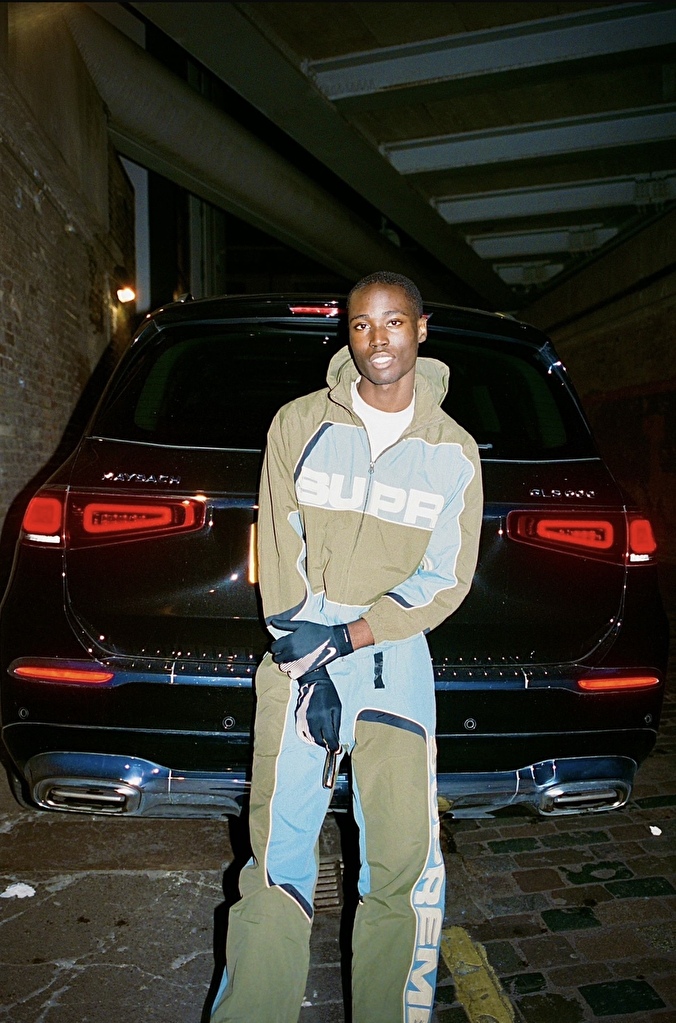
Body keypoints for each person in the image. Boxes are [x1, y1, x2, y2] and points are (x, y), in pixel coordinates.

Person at [211, 271, 483, 1023]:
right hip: (300, 652)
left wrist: (351, 637)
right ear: (347, 333)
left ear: (420, 329)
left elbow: (446, 579)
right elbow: (279, 543)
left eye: (393, 322)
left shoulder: (454, 451)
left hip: (395, 663)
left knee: (399, 869)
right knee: (276, 860)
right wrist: (310, 653)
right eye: (362, 324)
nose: (377, 339)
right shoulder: (299, 423)